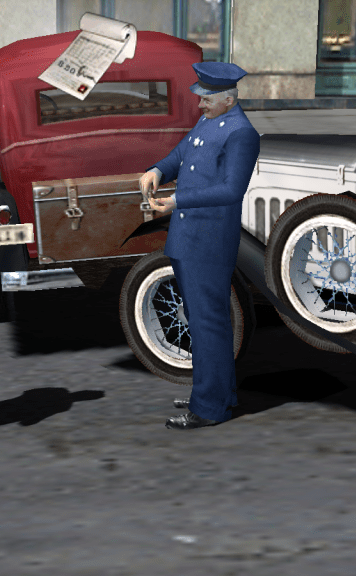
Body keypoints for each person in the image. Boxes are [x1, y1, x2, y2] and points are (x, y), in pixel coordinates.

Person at [139, 62, 261, 430]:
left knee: (208, 324)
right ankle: (219, 392)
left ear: (228, 99)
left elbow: (231, 190)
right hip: (188, 237)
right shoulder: (209, 120)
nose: (199, 104)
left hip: (209, 239)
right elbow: (182, 155)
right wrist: (158, 170)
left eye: (206, 99)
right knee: (202, 320)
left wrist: (178, 200)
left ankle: (208, 407)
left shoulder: (242, 134)